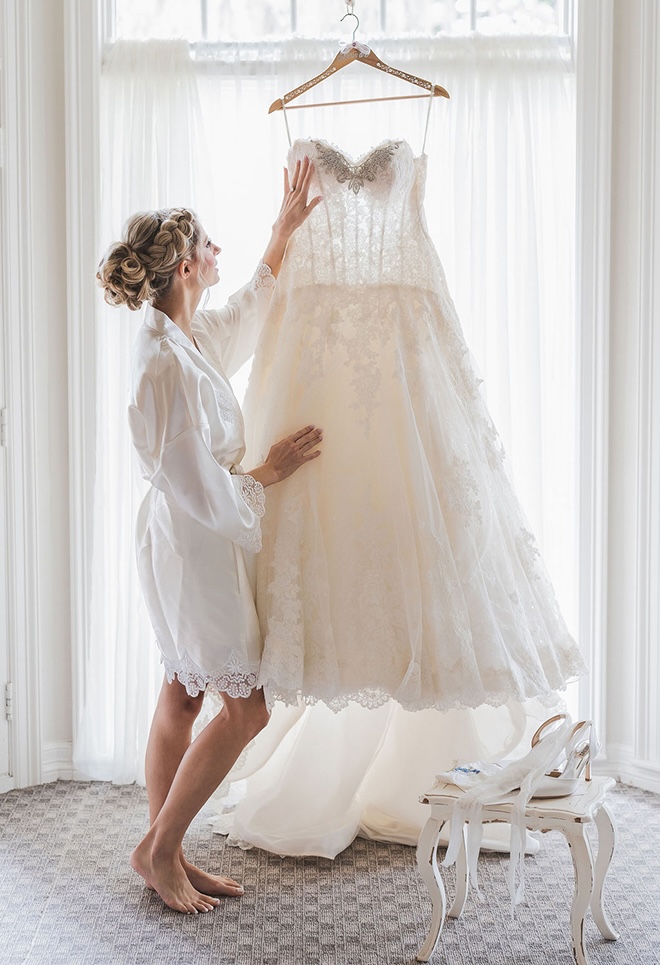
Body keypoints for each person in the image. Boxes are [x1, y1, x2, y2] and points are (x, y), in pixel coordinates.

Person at [95, 157, 322, 914]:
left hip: (187, 536)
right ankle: (159, 848)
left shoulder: (182, 335)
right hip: (194, 541)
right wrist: (269, 471)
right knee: (245, 707)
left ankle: (171, 854)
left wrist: (281, 230)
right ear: (189, 265)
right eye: (213, 246)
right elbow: (195, 479)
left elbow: (245, 315)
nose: (221, 255)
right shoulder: (161, 362)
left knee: (182, 693)